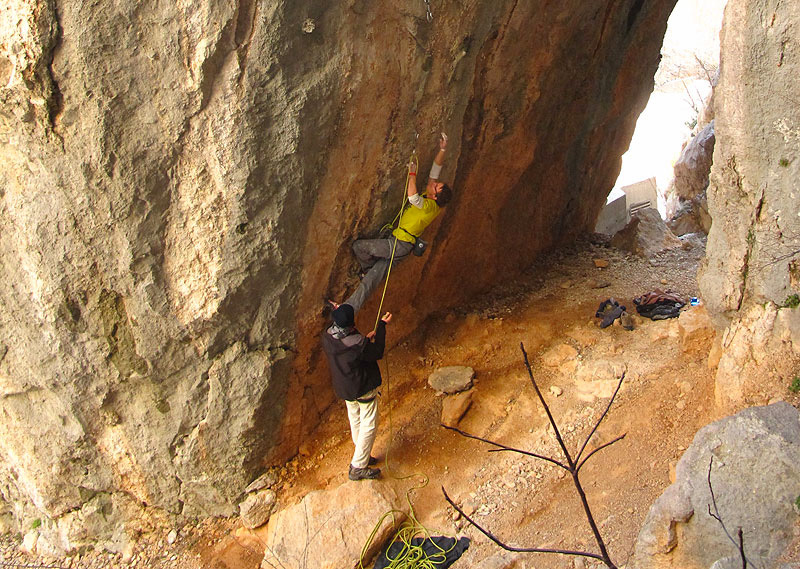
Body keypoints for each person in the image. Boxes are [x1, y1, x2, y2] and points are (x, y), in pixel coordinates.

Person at [342, 133, 453, 313]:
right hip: (399, 244)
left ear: (435, 196)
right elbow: (436, 168)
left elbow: (412, 198)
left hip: (398, 245)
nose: (433, 183)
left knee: (360, 247)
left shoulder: (430, 207)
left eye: (436, 186)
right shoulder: (432, 199)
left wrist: (411, 175)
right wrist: (442, 149)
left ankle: (346, 311)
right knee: (370, 281)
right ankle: (349, 307)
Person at [321, 303, 392, 480]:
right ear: (352, 323)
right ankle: (358, 466)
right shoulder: (357, 344)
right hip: (362, 387)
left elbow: (353, 346)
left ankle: (363, 455)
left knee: (356, 420)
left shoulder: (328, 336)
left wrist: (364, 340)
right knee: (369, 424)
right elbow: (377, 352)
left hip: (345, 387)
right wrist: (382, 326)